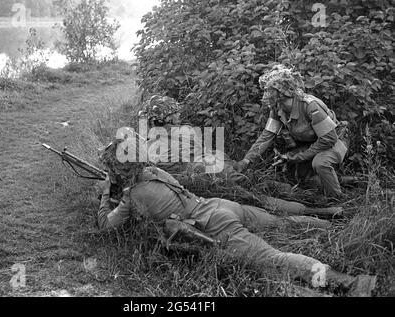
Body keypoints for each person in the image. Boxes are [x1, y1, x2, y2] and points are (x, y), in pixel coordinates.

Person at [96, 138, 376, 296]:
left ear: (118, 170)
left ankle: (352, 284)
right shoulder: (155, 171)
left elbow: (106, 226)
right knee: (280, 222)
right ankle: (332, 222)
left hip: (213, 224)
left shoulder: (132, 196)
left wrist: (104, 195)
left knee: (273, 259)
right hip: (220, 205)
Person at [137, 95, 343, 218]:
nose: (178, 114)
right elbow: (204, 153)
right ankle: (320, 204)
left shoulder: (149, 146)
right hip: (217, 170)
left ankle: (316, 211)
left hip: (206, 181)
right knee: (263, 189)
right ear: (169, 116)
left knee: (259, 200)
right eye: (175, 112)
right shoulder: (187, 131)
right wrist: (235, 164)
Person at [235, 65, 350, 198]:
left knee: (320, 163)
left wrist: (297, 157)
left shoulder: (310, 106)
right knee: (301, 178)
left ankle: (337, 201)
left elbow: (329, 139)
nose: (265, 95)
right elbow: (267, 136)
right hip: (314, 143)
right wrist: (246, 160)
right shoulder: (278, 108)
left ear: (281, 91)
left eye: (268, 90)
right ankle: (345, 181)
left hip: (336, 139)